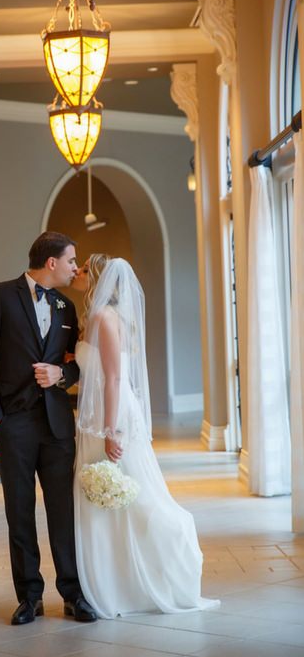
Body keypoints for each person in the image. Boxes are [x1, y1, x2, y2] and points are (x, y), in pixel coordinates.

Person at [71, 254, 219, 618]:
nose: (77, 271)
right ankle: (114, 579)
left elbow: (114, 379)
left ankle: (159, 562)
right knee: (105, 499)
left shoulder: (105, 318)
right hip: (95, 417)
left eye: (84, 268)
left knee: (129, 493)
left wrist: (110, 430)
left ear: (98, 278)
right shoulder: (95, 317)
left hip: (111, 416)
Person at [0, 231, 97, 626]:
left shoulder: (66, 306)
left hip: (58, 426)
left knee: (64, 513)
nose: (76, 268)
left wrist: (61, 373)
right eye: (71, 260)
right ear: (51, 262)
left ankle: (73, 595)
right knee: (19, 513)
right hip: (14, 425)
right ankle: (30, 597)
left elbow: (76, 364)